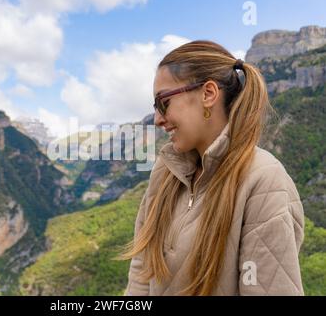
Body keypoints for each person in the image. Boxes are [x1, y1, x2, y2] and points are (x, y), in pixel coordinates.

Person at [120, 40, 304, 296]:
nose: (158, 119)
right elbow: (141, 275)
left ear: (208, 94)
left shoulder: (264, 181)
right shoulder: (164, 173)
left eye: (163, 102)